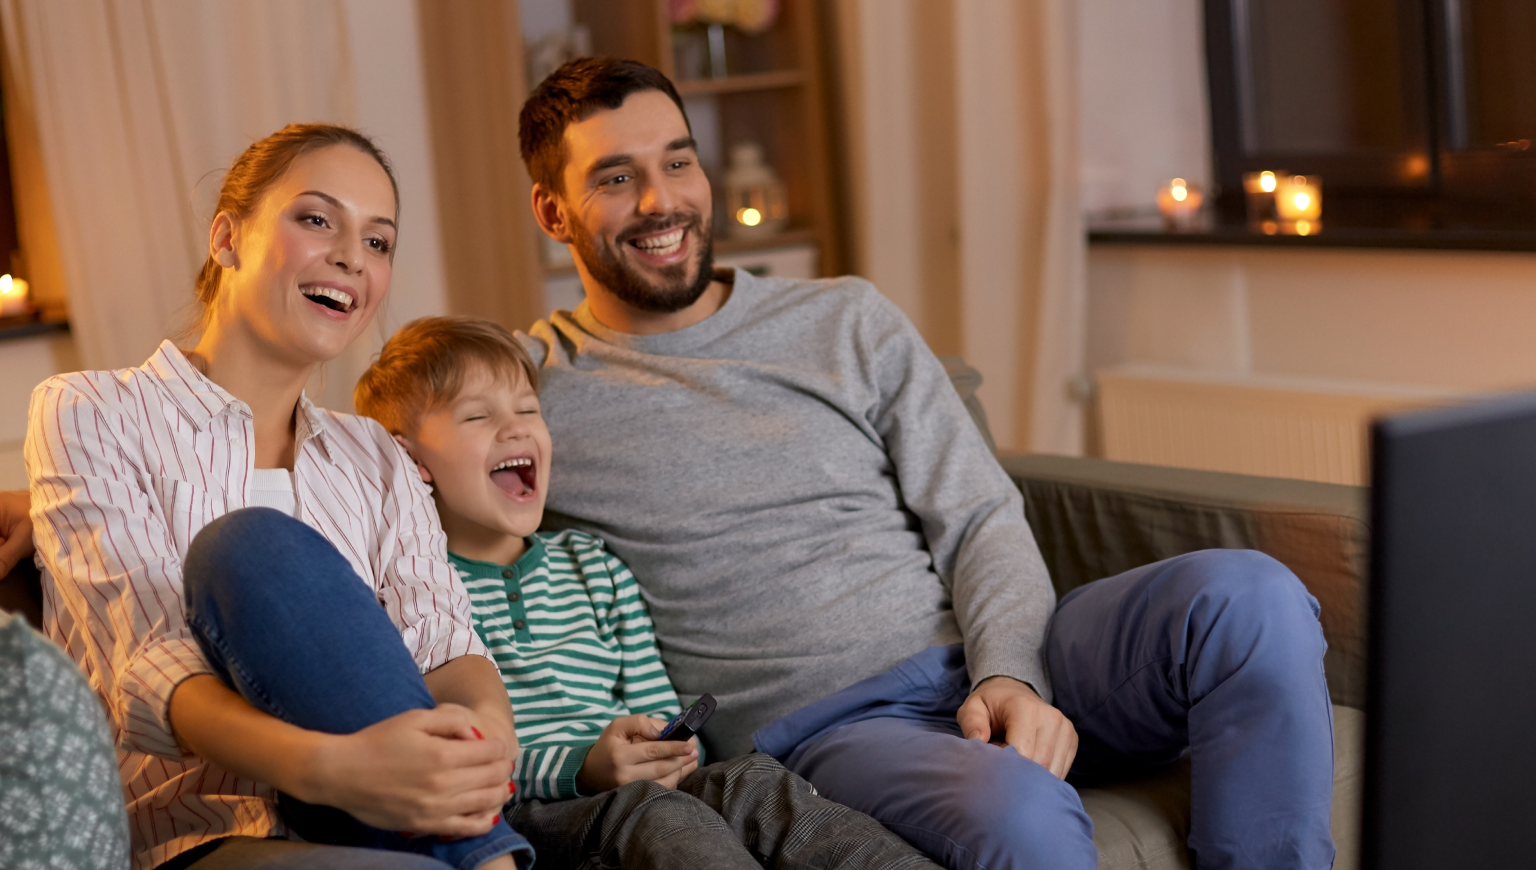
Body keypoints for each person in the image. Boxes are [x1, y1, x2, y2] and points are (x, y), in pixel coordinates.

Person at [515, 57, 1337, 870]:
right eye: (616, 178)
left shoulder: (843, 317)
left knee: (1247, 597)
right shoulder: (530, 392)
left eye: (678, 160)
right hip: (836, 729)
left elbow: (979, 513)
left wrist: (1012, 672)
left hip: (999, 657)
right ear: (552, 212)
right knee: (1014, 811)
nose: (663, 200)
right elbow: (403, 428)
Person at [26, 124, 532, 870]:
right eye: (317, 219)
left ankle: (480, 853)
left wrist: (491, 739)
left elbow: (444, 643)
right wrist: (337, 770)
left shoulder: (379, 459)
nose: (351, 257)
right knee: (249, 547)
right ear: (227, 238)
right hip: (199, 834)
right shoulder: (90, 411)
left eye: (380, 242)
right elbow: (150, 667)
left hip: (395, 815)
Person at [354, 314, 941, 870]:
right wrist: (582, 769)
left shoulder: (594, 566)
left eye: (528, 409)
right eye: (477, 417)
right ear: (411, 461)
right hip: (533, 814)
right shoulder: (414, 597)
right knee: (653, 813)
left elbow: (654, 706)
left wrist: (667, 748)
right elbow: (451, 759)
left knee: (755, 782)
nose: (516, 427)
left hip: (648, 794)